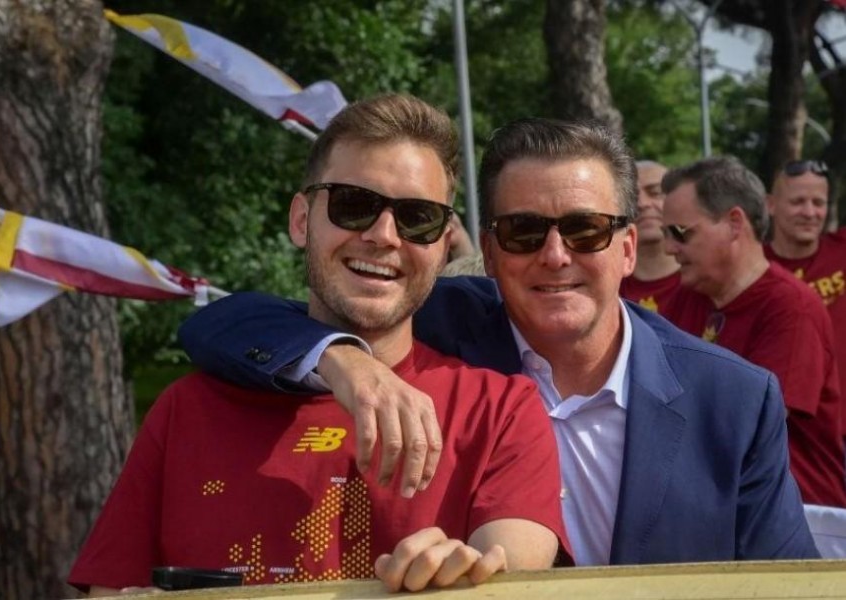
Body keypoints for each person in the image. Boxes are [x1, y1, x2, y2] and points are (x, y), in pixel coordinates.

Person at [179, 118, 819, 565]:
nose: (554, 255)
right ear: (487, 251)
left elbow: (785, 582)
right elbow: (225, 324)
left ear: (628, 246)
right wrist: (348, 360)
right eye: (522, 231)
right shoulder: (440, 324)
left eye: (586, 230)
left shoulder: (732, 398)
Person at [68, 95, 568, 596]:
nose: (383, 235)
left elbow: (514, 567)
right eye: (354, 205)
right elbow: (108, 590)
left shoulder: (502, 410)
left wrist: (467, 572)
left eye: (418, 218)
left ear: (442, 245)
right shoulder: (185, 409)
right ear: (302, 220)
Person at [660, 156, 846, 508]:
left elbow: (753, 426)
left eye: (681, 232)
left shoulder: (791, 307)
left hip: (796, 520)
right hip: (719, 507)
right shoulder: (687, 296)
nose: (670, 247)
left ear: (734, 223)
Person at [764, 159, 846, 446]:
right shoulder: (754, 268)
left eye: (818, 202)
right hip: (785, 433)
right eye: (798, 201)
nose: (810, 212)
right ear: (770, 205)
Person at [619, 160, 680, 312]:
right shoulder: (608, 285)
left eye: (655, 192)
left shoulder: (707, 283)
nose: (642, 203)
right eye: (632, 197)